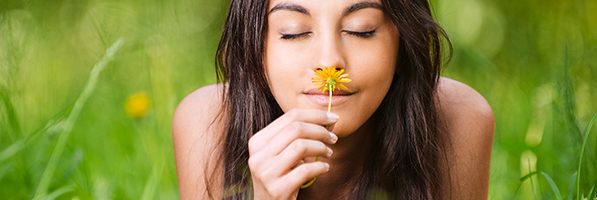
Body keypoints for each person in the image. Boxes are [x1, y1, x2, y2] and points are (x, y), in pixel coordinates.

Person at [172, 0, 495, 199]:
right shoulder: (208, 122)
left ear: (403, 41)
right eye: (293, 31)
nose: (329, 62)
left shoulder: (458, 118)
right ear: (255, 45)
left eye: (361, 29)